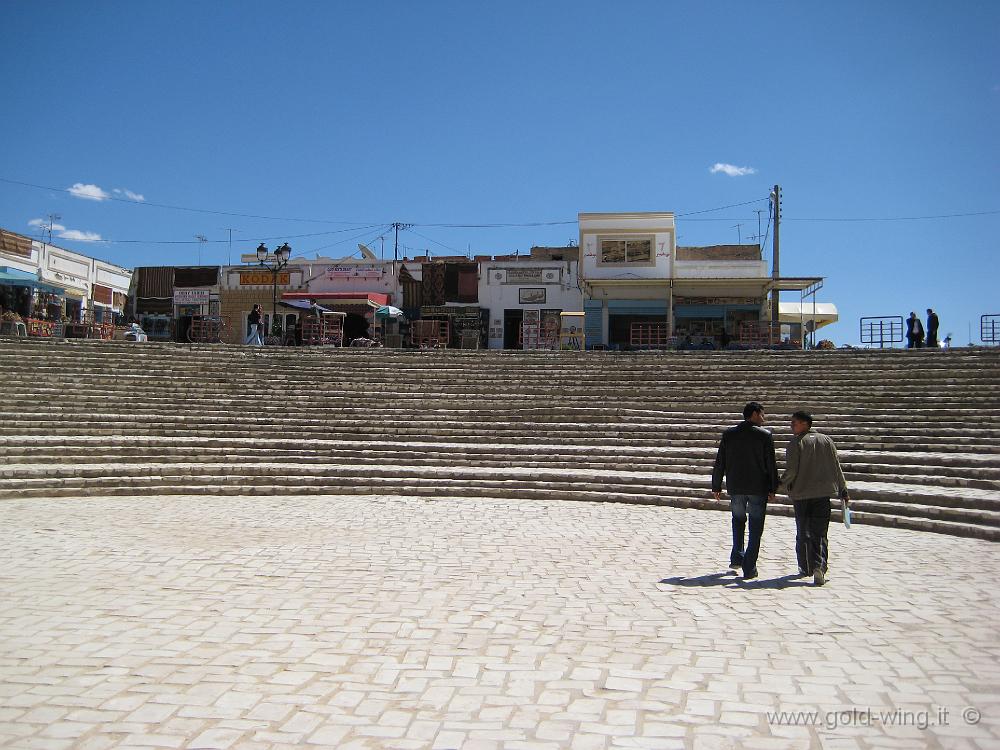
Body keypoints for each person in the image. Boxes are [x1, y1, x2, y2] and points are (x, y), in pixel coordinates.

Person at [778, 411, 850, 586]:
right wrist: (843, 489)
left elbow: (792, 471)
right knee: (820, 532)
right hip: (823, 495)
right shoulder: (827, 441)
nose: (791, 426)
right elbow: (836, 467)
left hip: (802, 495)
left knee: (803, 531)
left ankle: (805, 566)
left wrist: (776, 487)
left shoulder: (796, 443)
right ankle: (819, 567)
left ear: (805, 424)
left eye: (794, 423)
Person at [711, 402, 778, 580]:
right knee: (756, 527)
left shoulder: (729, 434)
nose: (763, 419)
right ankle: (749, 567)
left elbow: (720, 462)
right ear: (755, 414)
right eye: (762, 415)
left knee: (738, 520)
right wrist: (773, 487)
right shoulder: (765, 436)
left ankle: (737, 556)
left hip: (736, 486)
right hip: (758, 487)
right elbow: (771, 463)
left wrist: (716, 485)